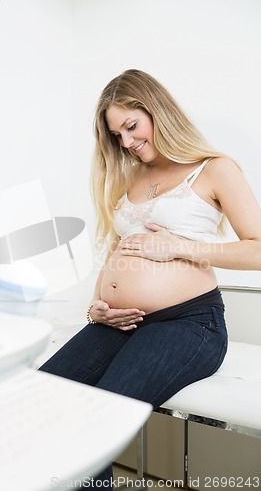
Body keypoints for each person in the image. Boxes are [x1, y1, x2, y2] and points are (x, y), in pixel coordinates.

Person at [39, 69, 261, 488]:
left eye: (131, 126)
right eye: (116, 135)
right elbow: (120, 248)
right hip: (120, 324)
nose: (126, 142)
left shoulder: (215, 169)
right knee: (41, 396)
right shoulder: (131, 177)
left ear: (157, 111)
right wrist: (97, 305)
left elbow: (258, 248)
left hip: (188, 324)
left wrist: (181, 247)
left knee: (94, 422)